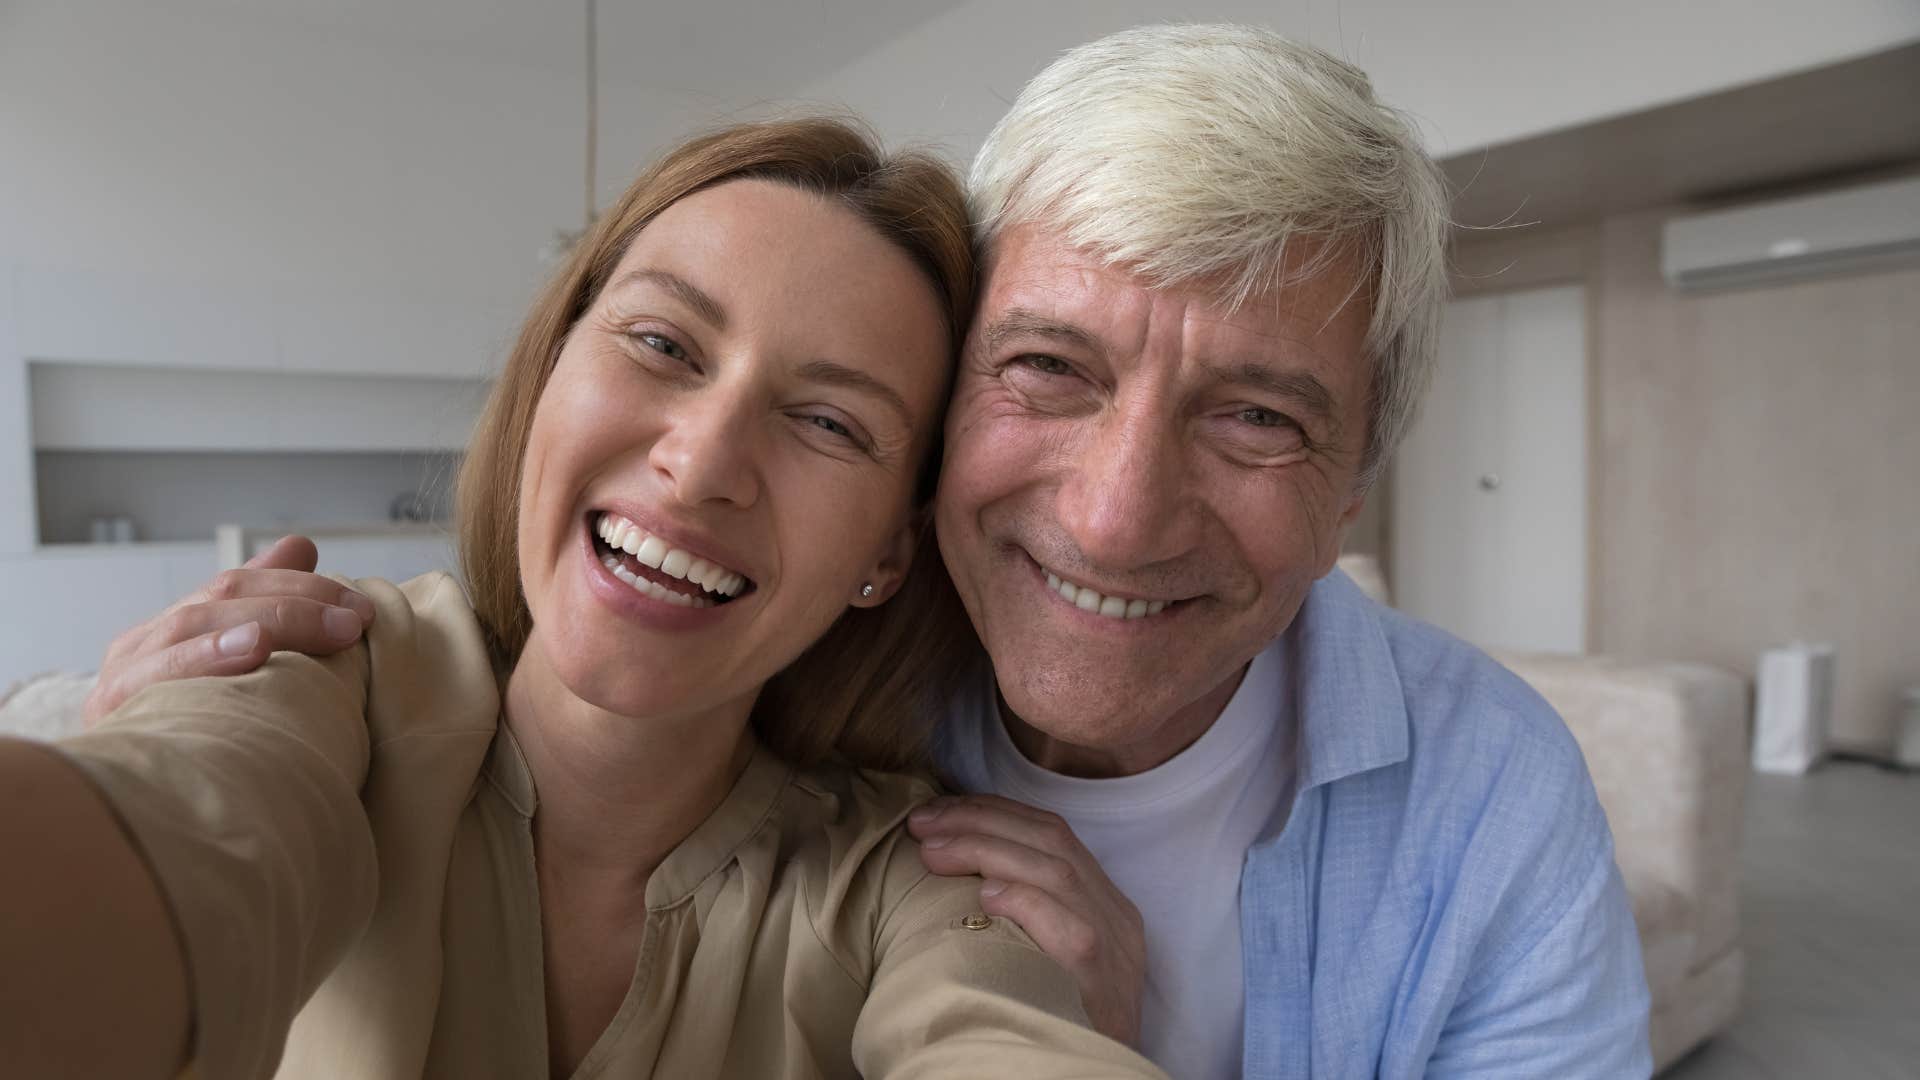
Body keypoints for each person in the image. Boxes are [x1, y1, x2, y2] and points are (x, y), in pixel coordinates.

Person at [71, 24, 1654, 1080]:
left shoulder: (1489, 806)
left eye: (1257, 418)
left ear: (1356, 485)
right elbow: (178, 834)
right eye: (1050, 370)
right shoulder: (439, 679)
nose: (1111, 516)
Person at [0, 118, 1164, 1080]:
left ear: (888, 556)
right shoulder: (323, 675)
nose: (703, 463)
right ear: (551, 369)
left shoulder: (907, 883)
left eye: (828, 422)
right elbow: (181, 831)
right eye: (661, 342)